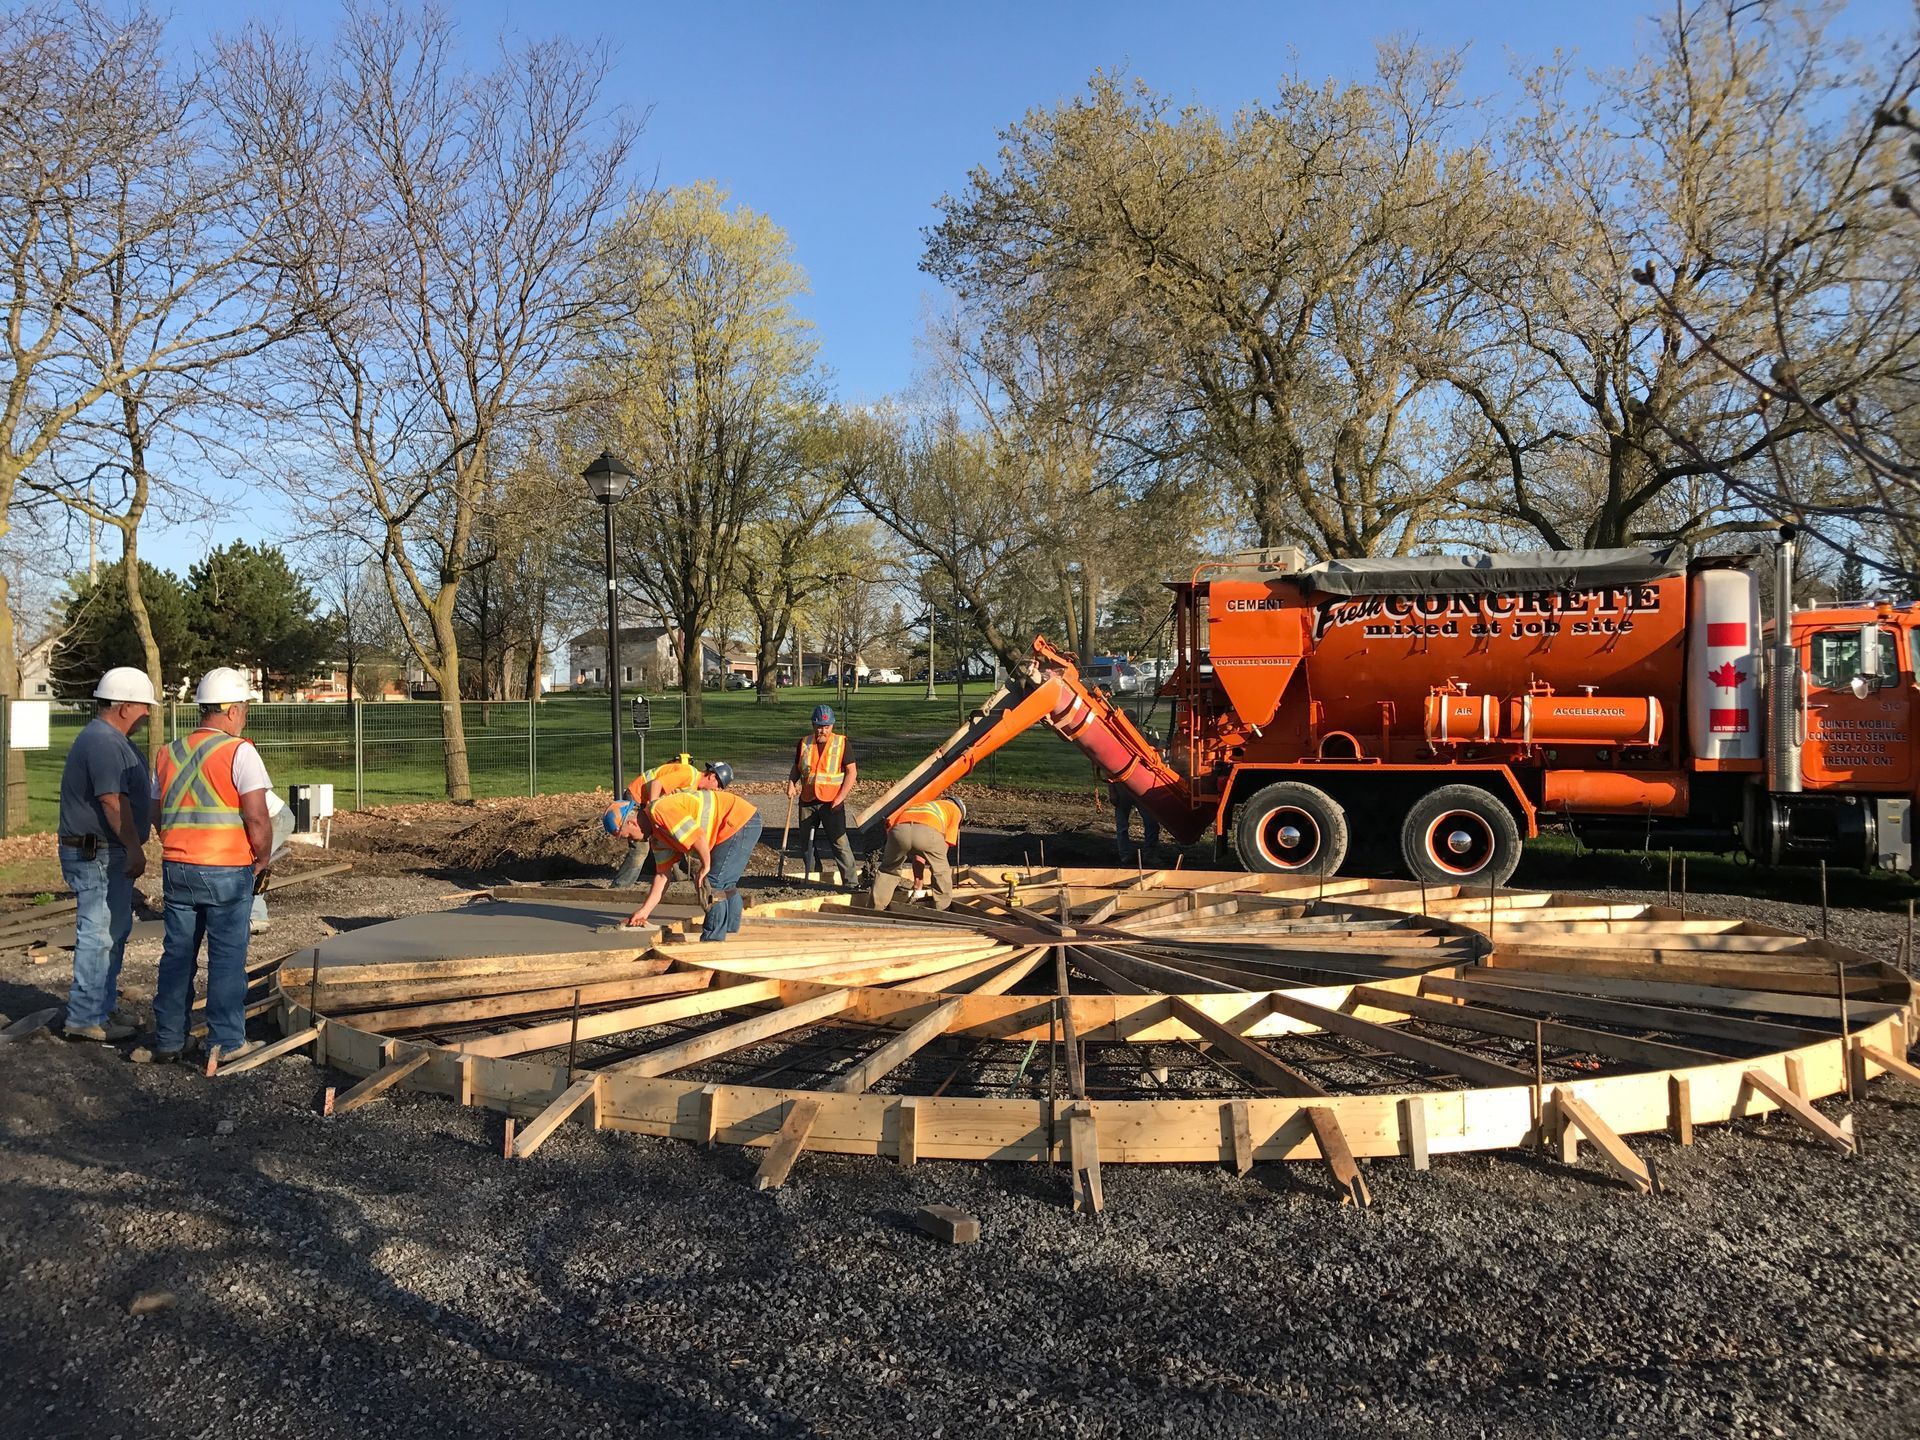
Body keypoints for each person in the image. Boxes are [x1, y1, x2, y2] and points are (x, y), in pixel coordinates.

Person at [141, 667, 274, 1066]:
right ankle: (227, 1041)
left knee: (177, 956)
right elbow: (256, 816)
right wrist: (262, 856)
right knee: (227, 958)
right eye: (245, 707)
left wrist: (178, 843)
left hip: (178, 868)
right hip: (226, 870)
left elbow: (155, 810)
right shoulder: (239, 751)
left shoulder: (169, 753)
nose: (245, 714)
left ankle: (168, 1039)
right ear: (231, 710)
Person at [57, 668, 157, 1043]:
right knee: (98, 934)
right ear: (125, 706)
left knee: (113, 931)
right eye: (144, 706)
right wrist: (133, 847)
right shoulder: (103, 742)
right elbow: (112, 801)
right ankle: (84, 1017)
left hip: (103, 851)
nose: (147, 713)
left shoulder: (112, 739)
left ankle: (100, 1007)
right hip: (96, 852)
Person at [616, 781, 762, 941]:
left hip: (739, 819)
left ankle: (712, 941)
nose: (633, 840)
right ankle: (731, 933)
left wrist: (705, 867)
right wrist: (644, 912)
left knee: (713, 884)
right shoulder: (657, 837)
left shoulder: (660, 811)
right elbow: (662, 876)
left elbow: (697, 837)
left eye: (629, 835)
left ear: (631, 823)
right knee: (725, 884)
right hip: (736, 822)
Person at [609, 754, 704, 888]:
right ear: (711, 777)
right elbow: (656, 783)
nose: (716, 789)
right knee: (640, 848)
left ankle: (677, 875)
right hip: (637, 799)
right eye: (718, 785)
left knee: (668, 835)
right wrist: (653, 807)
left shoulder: (692, 784)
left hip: (645, 799)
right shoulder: (689, 775)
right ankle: (620, 886)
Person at [787, 704, 857, 885]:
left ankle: (851, 882)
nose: (822, 730)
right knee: (806, 842)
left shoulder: (842, 743)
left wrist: (840, 798)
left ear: (832, 726)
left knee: (839, 842)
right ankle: (814, 877)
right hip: (808, 800)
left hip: (832, 802)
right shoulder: (804, 743)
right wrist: (791, 783)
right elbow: (797, 768)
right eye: (819, 726)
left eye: (826, 726)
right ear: (813, 725)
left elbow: (852, 772)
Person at [870, 796, 964, 911]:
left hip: (899, 831)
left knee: (888, 871)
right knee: (941, 871)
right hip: (927, 832)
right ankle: (943, 910)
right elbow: (943, 849)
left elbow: (919, 854)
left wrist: (918, 883)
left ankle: (876, 908)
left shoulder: (926, 806)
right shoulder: (955, 810)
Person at [247, 791, 297, 936]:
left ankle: (257, 917)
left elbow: (256, 816)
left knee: (251, 863)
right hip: (267, 816)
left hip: (277, 818)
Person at [1107, 774, 1161, 863]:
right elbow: (1108, 769)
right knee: (1123, 826)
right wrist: (1112, 791)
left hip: (1139, 789)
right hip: (1124, 790)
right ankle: (1126, 855)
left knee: (1151, 823)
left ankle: (1148, 855)